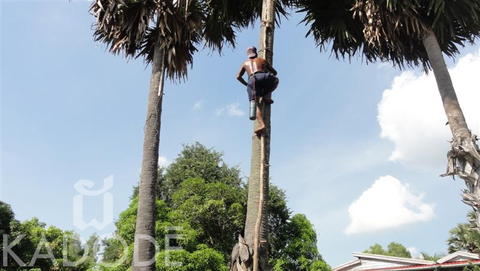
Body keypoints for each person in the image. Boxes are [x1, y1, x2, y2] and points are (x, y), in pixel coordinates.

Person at [236, 46, 279, 135]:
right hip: (264, 76)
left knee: (255, 104)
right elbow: (275, 73)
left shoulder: (245, 63)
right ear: (255, 53)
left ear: (248, 55)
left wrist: (246, 84)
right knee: (276, 81)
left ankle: (262, 125)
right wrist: (265, 70)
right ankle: (265, 96)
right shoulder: (262, 60)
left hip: (252, 80)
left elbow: (238, 77)